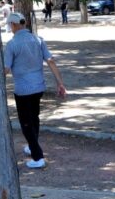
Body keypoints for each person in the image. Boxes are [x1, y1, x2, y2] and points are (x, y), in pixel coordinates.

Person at [4, 12, 67, 169]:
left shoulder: (12, 45)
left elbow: (6, 69)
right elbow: (51, 61)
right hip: (38, 86)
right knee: (34, 118)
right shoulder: (38, 40)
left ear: (13, 25)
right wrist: (60, 83)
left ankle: (37, 157)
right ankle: (32, 146)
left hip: (23, 89)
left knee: (26, 123)